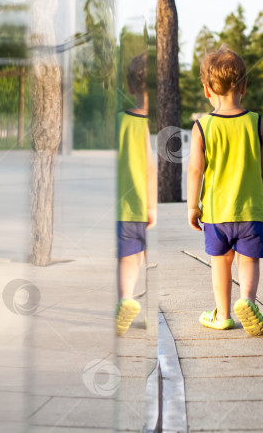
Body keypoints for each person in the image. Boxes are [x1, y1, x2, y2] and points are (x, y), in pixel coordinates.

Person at [187, 48, 263, 336]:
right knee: (248, 260)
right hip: (250, 210)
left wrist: (192, 207)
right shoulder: (256, 122)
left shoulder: (202, 126)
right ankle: (247, 301)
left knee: (221, 263)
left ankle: (223, 315)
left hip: (216, 212)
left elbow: (195, 171)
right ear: (244, 87)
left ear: (206, 89)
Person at [116, 52, 156, 336]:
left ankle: (125, 300)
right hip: (140, 205)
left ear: (129, 86)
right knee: (139, 257)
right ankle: (138, 305)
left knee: (126, 258)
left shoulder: (118, 121)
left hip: (118, 206)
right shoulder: (147, 124)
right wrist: (152, 207)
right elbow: (150, 167)